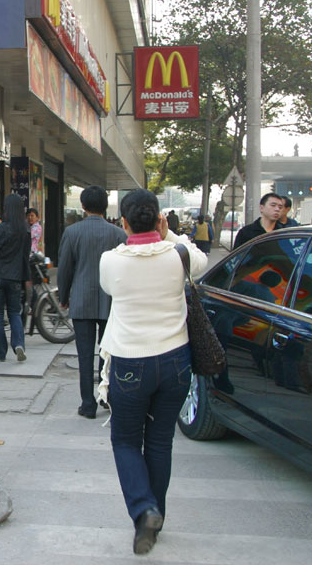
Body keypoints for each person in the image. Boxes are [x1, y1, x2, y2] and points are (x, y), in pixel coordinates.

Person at [98, 189, 208, 555]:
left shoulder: (111, 261)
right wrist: (171, 235)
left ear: (123, 222)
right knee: (160, 441)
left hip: (130, 364)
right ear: (160, 220)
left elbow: (109, 289)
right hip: (176, 361)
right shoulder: (179, 256)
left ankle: (144, 510)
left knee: (126, 441)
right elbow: (202, 261)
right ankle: (154, 516)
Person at [57, 185, 127, 418]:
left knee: (84, 354)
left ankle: (88, 405)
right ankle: (106, 397)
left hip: (81, 300)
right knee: (108, 353)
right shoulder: (118, 234)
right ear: (105, 207)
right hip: (111, 301)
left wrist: (64, 296)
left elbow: (65, 268)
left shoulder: (72, 232)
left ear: (83, 206)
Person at [0, 194, 30, 362]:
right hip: (15, 277)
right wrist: (26, 278)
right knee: (14, 312)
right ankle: (19, 344)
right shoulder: (25, 229)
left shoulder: (1, 228)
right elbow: (26, 257)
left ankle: (0, 353)